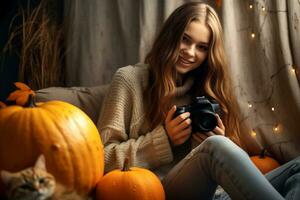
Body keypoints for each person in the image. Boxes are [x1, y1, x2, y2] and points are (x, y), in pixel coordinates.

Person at [97, 2, 300, 200]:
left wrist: (218, 139)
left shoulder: (206, 87)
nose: (190, 52)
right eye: (185, 39)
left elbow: (216, 163)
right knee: (217, 146)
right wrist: (163, 139)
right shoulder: (129, 80)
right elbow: (101, 160)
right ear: (171, 35)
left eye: (202, 47)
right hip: (157, 189)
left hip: (217, 191)